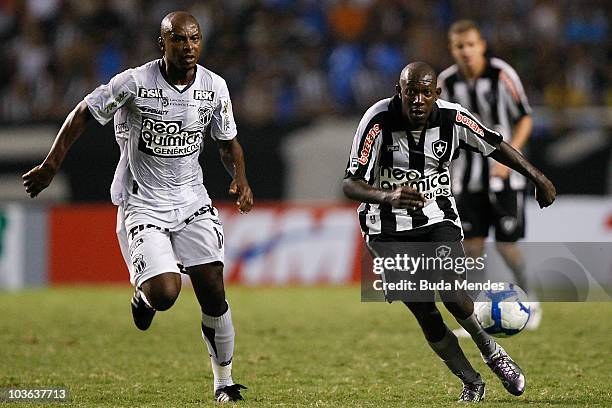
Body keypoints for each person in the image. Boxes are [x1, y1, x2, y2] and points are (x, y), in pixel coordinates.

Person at [22, 11, 253, 403]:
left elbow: (227, 142)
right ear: (161, 43)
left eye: (194, 39)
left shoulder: (214, 86)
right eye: (178, 40)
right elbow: (83, 112)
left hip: (192, 200)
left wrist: (241, 179)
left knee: (213, 290)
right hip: (142, 204)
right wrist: (51, 164)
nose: (188, 47)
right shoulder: (133, 83)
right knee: (166, 293)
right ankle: (143, 297)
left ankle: (224, 382)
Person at [343, 62, 555, 402]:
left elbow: (495, 144)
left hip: (436, 217)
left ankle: (493, 353)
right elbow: (350, 183)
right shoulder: (377, 120)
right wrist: (389, 195)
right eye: (411, 92)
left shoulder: (453, 118)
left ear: (436, 95)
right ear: (400, 92)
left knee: (453, 293)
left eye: (426, 93)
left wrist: (538, 177)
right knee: (424, 311)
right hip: (386, 230)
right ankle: (470, 380)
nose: (417, 99)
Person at [438, 20, 542, 331]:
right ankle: (475, 316)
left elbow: (525, 118)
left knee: (507, 247)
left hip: (505, 176)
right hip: (465, 178)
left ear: (481, 45)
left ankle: (531, 301)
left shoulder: (502, 74)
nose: (466, 51)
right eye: (460, 46)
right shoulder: (446, 82)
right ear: (452, 49)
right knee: (472, 248)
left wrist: (512, 157)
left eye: (471, 45)